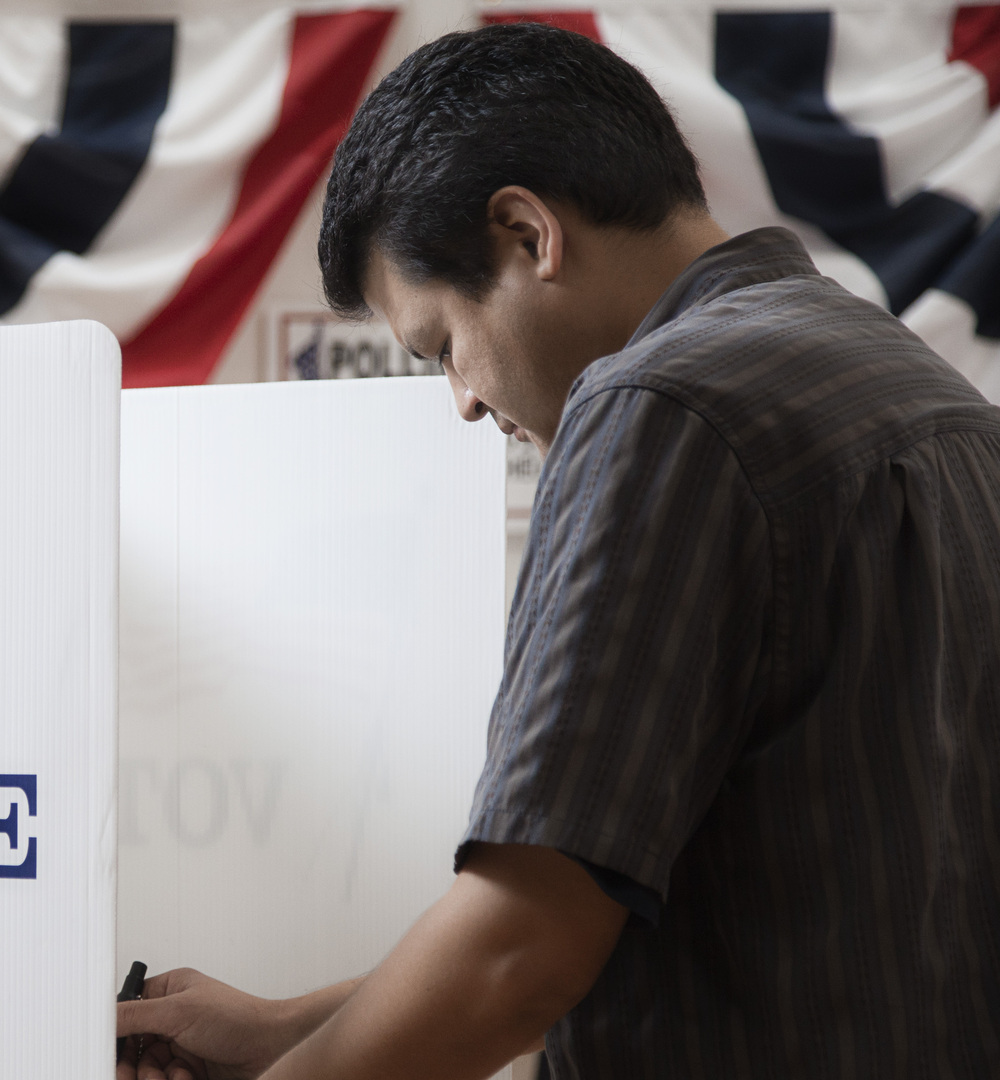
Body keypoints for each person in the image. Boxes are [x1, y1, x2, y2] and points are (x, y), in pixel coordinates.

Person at [118, 22, 1000, 1080]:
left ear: (528, 235)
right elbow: (660, 917)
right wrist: (280, 1033)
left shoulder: (659, 405)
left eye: (444, 345)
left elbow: (523, 950)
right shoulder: (932, 399)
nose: (463, 401)